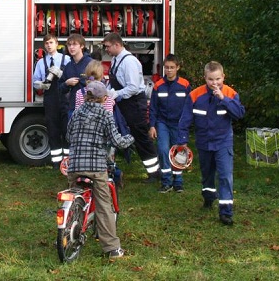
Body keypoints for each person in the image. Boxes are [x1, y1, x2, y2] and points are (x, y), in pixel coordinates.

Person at [66, 81, 135, 260]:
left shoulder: (77, 113)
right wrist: (130, 138)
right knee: (104, 206)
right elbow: (117, 141)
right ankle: (112, 248)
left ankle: (66, 231)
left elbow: (68, 136)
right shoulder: (105, 114)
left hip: (74, 166)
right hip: (96, 168)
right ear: (103, 98)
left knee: (75, 197)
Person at [177, 61, 245, 226]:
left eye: (217, 79)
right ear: (205, 78)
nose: (214, 83)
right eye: (210, 79)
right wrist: (182, 141)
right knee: (207, 174)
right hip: (204, 142)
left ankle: (226, 212)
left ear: (223, 77)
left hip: (223, 142)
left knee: (225, 176)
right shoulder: (195, 95)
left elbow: (239, 114)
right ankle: (208, 198)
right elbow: (185, 119)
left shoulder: (230, 93)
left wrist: (223, 99)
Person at [102, 32, 160, 183]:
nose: (106, 49)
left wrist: (115, 94)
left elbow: (133, 87)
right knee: (135, 135)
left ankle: (155, 172)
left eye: (108, 46)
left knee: (141, 137)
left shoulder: (129, 62)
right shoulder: (115, 60)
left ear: (117, 44)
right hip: (124, 103)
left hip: (134, 103)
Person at [73, 59, 124, 188]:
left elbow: (77, 114)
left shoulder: (82, 93)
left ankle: (111, 176)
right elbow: (108, 116)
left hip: (89, 134)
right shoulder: (105, 95)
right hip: (98, 134)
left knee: (94, 159)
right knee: (103, 159)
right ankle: (107, 179)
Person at [148, 54, 191, 193]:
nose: (169, 70)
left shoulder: (185, 85)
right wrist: (152, 125)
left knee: (179, 151)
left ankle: (178, 181)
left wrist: (186, 124)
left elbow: (189, 107)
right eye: (167, 67)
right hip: (163, 123)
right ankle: (166, 181)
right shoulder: (158, 85)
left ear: (178, 68)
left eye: (172, 67)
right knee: (162, 149)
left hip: (179, 124)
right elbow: (153, 107)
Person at [32, 34, 70, 168]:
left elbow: (73, 77)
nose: (49, 45)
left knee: (67, 130)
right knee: (53, 131)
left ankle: (68, 162)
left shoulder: (66, 59)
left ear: (57, 43)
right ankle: (56, 162)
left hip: (65, 99)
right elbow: (35, 81)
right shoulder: (41, 63)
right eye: (46, 43)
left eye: (51, 42)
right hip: (50, 99)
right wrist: (40, 85)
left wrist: (61, 74)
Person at [59, 33, 92, 120]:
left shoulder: (91, 63)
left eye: (74, 44)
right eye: (69, 45)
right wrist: (66, 83)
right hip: (72, 108)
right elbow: (60, 88)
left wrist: (87, 81)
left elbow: (99, 83)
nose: (71, 47)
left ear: (82, 46)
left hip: (90, 108)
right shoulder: (68, 66)